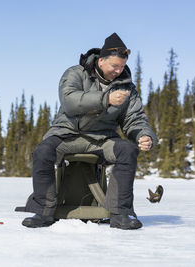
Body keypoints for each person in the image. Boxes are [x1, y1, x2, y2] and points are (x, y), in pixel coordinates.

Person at [20, 33, 157, 230]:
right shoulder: (75, 73)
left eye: (122, 66)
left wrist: (143, 135)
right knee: (43, 152)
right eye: (114, 66)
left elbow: (133, 118)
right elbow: (70, 101)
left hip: (102, 139)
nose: (119, 71)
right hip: (67, 134)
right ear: (101, 61)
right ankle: (43, 211)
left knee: (127, 151)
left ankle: (120, 213)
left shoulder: (127, 87)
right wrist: (106, 99)